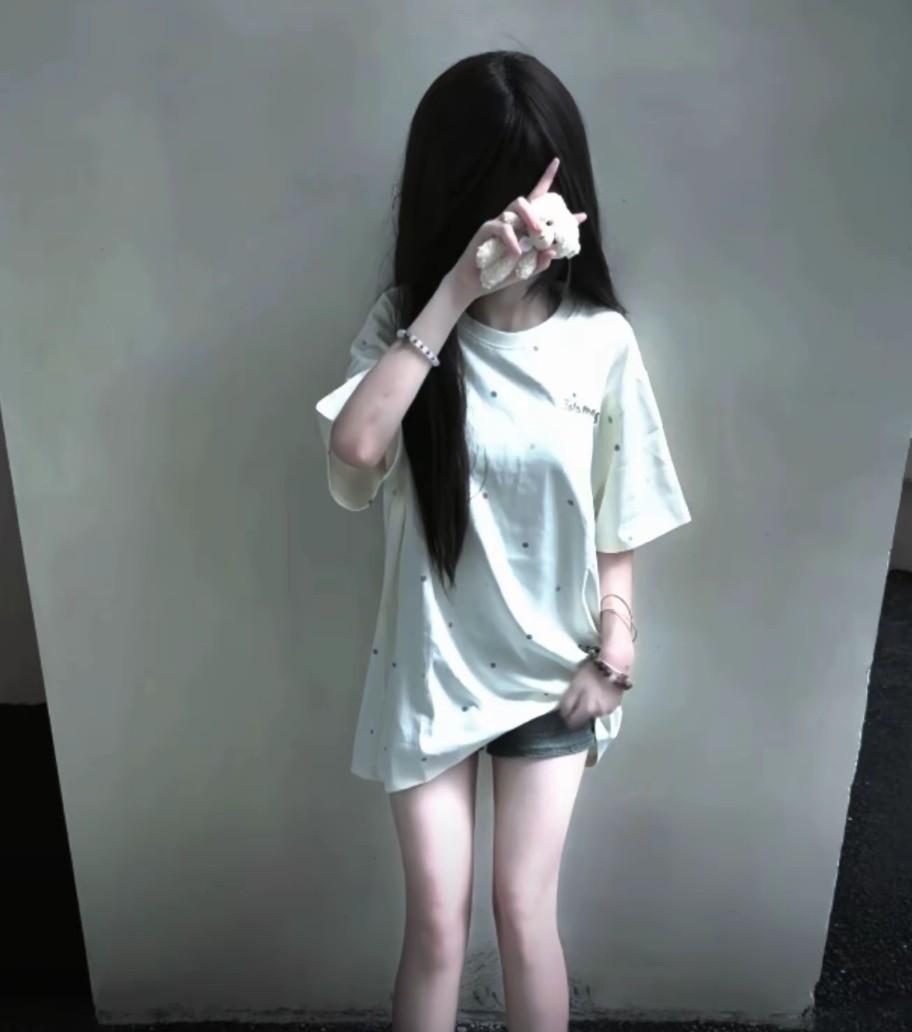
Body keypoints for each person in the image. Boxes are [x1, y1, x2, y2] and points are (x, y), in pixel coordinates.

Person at [314, 50, 692, 1032]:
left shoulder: (601, 340)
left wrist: (618, 650)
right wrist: (451, 293)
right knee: (436, 927)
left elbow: (619, 512)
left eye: (537, 188)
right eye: (496, 194)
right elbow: (355, 451)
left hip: (553, 675)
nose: (521, 220)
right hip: (431, 670)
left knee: (525, 917)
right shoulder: (405, 328)